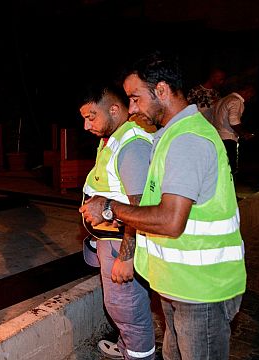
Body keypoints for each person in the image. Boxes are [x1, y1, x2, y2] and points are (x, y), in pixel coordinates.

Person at [80, 51, 246, 359]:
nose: (131, 108)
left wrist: (109, 208)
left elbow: (170, 220)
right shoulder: (170, 137)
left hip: (202, 291)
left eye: (135, 98)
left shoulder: (188, 141)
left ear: (161, 91)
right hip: (180, 286)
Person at [78, 83, 156, 360]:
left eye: (91, 117)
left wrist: (126, 257)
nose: (87, 126)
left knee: (126, 308)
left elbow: (140, 208)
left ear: (113, 109)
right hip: (108, 239)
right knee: (123, 306)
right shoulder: (113, 137)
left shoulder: (131, 145)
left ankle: (139, 354)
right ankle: (128, 347)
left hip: (120, 242)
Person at [211, 83, 256, 176]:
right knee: (230, 170)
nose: (251, 97)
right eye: (251, 94)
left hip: (217, 138)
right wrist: (243, 134)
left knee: (219, 169)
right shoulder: (236, 101)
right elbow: (233, 120)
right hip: (228, 139)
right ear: (246, 91)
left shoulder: (223, 100)